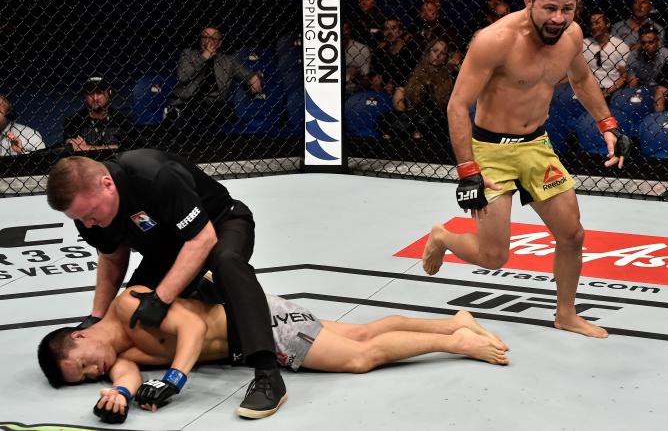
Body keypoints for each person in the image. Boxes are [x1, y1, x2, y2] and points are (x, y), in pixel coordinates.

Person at [421, 0, 631, 339]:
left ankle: (565, 313)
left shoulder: (571, 36)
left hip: (535, 145)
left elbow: (582, 80)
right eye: (549, 8)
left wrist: (608, 124)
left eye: (567, 9)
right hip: (490, 150)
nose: (559, 18)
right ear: (528, 1)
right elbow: (457, 105)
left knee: (572, 235)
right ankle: (442, 236)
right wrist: (467, 170)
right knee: (493, 257)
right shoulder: (494, 40)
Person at [37, 284, 509, 424]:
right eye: (86, 379)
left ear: (77, 337)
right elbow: (124, 375)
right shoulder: (122, 353)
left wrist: (177, 378)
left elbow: (194, 326)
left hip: (262, 326)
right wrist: (117, 396)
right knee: (363, 334)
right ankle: (454, 322)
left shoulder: (129, 306)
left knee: (359, 357)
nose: (92, 372)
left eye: (84, 366)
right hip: (260, 324)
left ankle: (454, 344)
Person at [44, 149, 287, 418]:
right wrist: (97, 317)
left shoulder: (155, 176)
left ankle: (268, 375)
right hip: (168, 250)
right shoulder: (87, 214)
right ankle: (202, 290)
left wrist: (162, 297)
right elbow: (112, 258)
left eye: (89, 213)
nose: (87, 224)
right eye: (79, 219)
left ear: (107, 184)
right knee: (133, 315)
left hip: (220, 225)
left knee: (226, 261)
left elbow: (202, 240)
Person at [166, 26, 262, 135]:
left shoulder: (227, 61)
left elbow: (246, 73)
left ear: (219, 43)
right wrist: (204, 57)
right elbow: (183, 77)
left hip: (214, 106)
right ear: (201, 40)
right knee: (181, 116)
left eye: (213, 38)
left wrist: (254, 77)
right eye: (205, 37)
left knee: (225, 110)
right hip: (187, 102)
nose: (209, 41)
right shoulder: (188, 54)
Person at [63, 77, 134, 152]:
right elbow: (73, 149)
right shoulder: (73, 121)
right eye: (90, 93)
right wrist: (115, 147)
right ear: (85, 95)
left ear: (109, 93)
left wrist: (86, 148)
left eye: (100, 92)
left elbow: (129, 149)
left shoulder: (122, 120)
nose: (95, 98)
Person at [583, 10, 630, 98]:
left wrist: (607, 92)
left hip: (614, 89)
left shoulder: (620, 46)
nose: (593, 26)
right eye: (591, 23)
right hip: (589, 88)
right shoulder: (584, 44)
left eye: (597, 23)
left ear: (607, 24)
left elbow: (623, 76)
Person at [627, 25, 668, 91]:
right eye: (643, 43)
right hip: (641, 90)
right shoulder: (634, 55)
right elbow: (632, 83)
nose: (646, 46)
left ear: (658, 41)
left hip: (662, 91)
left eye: (650, 42)